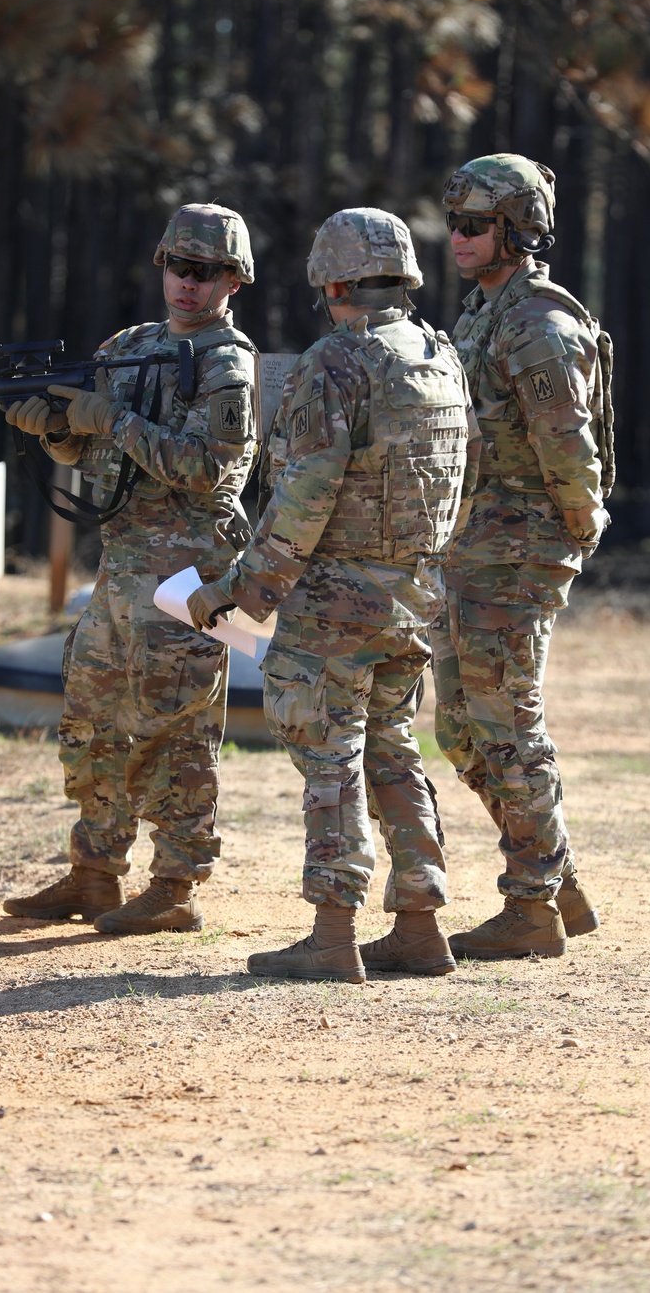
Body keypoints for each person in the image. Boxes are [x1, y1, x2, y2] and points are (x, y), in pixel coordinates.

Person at [188, 209, 480, 983]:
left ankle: (333, 930)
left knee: (329, 754)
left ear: (333, 284)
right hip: (414, 592)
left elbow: (306, 494)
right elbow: (468, 473)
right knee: (391, 747)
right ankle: (420, 924)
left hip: (337, 602)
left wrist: (244, 589)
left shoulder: (337, 360)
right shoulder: (440, 356)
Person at [1, 204, 259, 935]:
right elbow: (93, 456)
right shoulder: (129, 347)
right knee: (94, 721)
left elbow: (207, 470)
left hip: (188, 579)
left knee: (175, 728)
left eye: (205, 271)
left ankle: (175, 885)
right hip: (122, 569)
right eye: (179, 265)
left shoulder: (228, 364)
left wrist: (107, 419)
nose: (188, 282)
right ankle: (94, 873)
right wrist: (55, 433)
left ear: (233, 281)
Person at [432, 153, 613, 961]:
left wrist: (574, 531)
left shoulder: (537, 323)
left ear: (517, 230)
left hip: (518, 549)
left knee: (506, 721)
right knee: (461, 727)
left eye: (475, 224)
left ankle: (532, 905)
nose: (458, 237)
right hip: (473, 545)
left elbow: (568, 446)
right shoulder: (483, 313)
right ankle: (554, 873)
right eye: (455, 223)